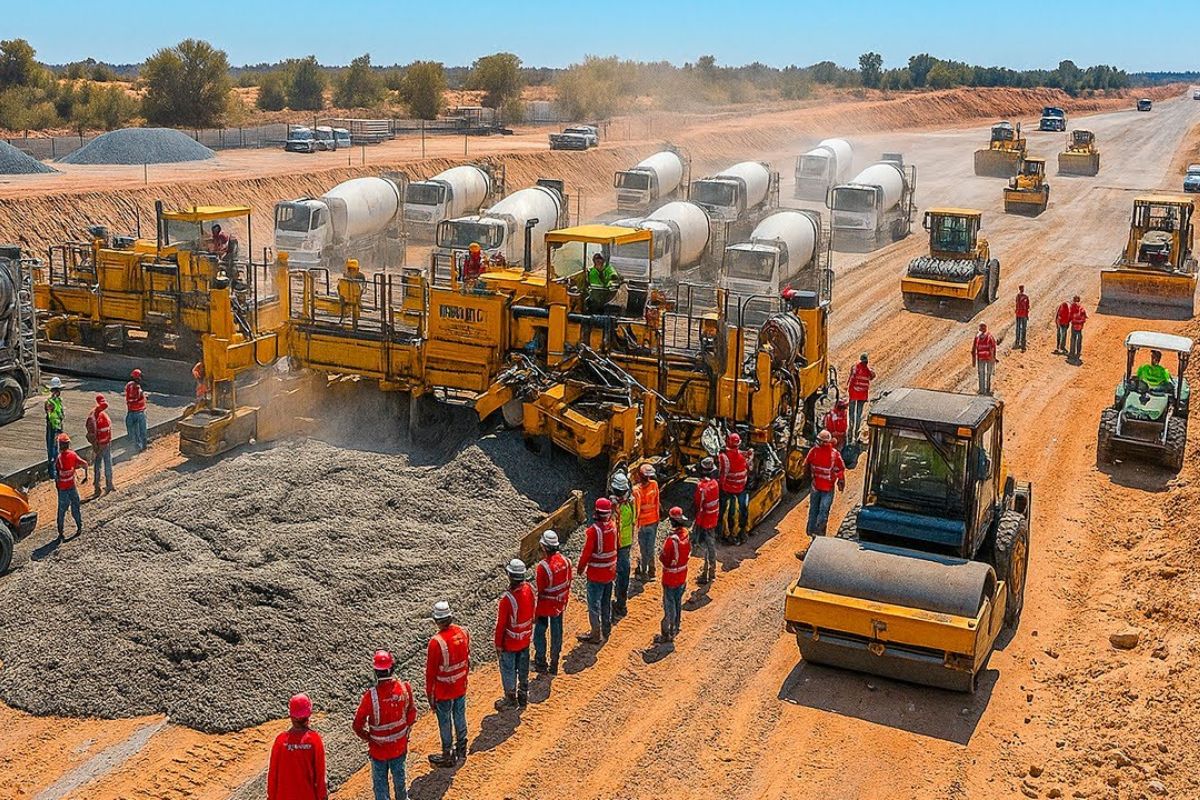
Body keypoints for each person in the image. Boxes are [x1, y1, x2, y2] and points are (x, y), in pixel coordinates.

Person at [353, 651, 417, 800]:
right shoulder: (405, 688)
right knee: (400, 781)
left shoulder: (370, 696)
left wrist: (369, 738)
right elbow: (412, 714)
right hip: (399, 747)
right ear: (392, 668)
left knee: (380, 787)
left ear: (376, 672)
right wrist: (404, 732)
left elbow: (357, 725)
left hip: (378, 750)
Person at [425, 600, 470, 768]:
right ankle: (462, 747)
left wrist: (430, 697)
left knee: (445, 722)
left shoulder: (436, 642)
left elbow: (430, 674)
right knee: (460, 715)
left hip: (444, 691)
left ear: (436, 620)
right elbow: (467, 660)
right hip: (460, 686)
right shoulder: (463, 632)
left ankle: (448, 754)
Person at [267, 693, 328, 800]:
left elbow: (273, 775)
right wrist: (322, 797)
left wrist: (271, 797)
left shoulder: (280, 741)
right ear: (309, 714)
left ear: (291, 715)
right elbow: (320, 776)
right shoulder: (314, 740)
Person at [494, 558, 535, 711]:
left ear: (510, 576)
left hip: (510, 643)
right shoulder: (529, 589)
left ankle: (510, 699)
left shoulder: (507, 599)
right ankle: (523, 696)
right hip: (525, 639)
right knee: (523, 669)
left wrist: (498, 645)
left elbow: (501, 626)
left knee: (508, 670)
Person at [576, 497, 618, 643]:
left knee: (594, 605)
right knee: (606, 602)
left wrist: (581, 568)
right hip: (610, 572)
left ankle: (595, 634)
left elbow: (586, 553)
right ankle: (606, 629)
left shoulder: (594, 531)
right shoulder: (613, 526)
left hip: (596, 574)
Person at [533, 530, 572, 675]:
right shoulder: (566, 561)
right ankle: (554, 663)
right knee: (557, 633)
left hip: (546, 605)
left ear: (544, 547)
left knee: (539, 633)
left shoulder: (543, 567)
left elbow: (541, 590)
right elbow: (568, 582)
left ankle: (541, 662)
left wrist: (536, 613)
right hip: (560, 603)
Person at [657, 507, 691, 644]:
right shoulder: (686, 534)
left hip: (670, 577)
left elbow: (664, 558)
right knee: (677, 602)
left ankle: (667, 633)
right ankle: (676, 627)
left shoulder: (671, 541)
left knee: (669, 605)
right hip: (682, 575)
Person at [803, 430, 845, 536]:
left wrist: (841, 480)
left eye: (820, 441)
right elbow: (806, 464)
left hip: (827, 488)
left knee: (823, 511)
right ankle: (812, 532)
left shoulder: (834, 454)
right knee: (814, 510)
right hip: (816, 486)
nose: (818, 443)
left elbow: (839, 469)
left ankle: (819, 533)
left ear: (827, 442)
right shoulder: (814, 451)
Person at [609, 471, 636, 617]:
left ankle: (617, 605)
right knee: (623, 572)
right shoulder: (630, 502)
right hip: (626, 542)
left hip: (615, 544)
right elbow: (634, 520)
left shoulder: (614, 505)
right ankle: (621, 603)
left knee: (612, 573)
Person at [691, 457, 720, 585]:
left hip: (704, 520)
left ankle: (706, 573)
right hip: (713, 519)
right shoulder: (715, 484)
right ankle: (711, 571)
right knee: (711, 545)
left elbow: (698, 504)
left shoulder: (701, 487)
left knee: (706, 546)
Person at [718, 433, 750, 544]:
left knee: (727, 511)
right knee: (742, 509)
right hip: (741, 488)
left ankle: (726, 534)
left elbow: (722, 474)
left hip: (728, 489)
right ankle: (741, 532)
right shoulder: (742, 456)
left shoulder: (723, 457)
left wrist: (720, 487)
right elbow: (748, 467)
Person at [54, 433, 87, 540]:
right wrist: (85, 475)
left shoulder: (59, 458)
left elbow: (57, 473)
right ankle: (79, 527)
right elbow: (84, 464)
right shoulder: (73, 455)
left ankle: (61, 532)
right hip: (72, 487)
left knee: (61, 511)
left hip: (63, 489)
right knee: (76, 507)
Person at [632, 464, 660, 579]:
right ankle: (652, 570)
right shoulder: (654, 484)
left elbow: (636, 509)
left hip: (643, 523)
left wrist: (635, 523)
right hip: (653, 521)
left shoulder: (636, 490)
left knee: (643, 548)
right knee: (651, 546)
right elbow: (657, 502)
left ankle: (644, 571)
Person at [84, 393, 115, 497]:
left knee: (106, 463)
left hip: (106, 443)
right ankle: (98, 486)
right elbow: (91, 434)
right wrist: (96, 446)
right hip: (100, 445)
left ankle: (108, 484)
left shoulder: (102, 415)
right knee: (100, 464)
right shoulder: (93, 418)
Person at [847, 353, 876, 442]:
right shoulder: (868, 370)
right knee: (858, 414)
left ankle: (851, 429)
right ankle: (856, 432)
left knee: (851, 413)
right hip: (862, 395)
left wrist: (848, 388)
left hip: (853, 393)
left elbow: (851, 378)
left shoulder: (855, 368)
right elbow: (872, 376)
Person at [44, 376, 65, 480]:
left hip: (57, 427)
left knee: (55, 449)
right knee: (52, 449)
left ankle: (56, 471)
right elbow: (51, 415)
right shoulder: (50, 402)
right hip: (53, 427)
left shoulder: (58, 401)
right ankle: (53, 473)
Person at [124, 368, 148, 451]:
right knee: (142, 430)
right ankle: (143, 446)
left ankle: (136, 446)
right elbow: (135, 398)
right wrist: (143, 396)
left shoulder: (129, 385)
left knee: (134, 431)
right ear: (138, 378)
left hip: (131, 412)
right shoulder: (136, 388)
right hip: (139, 412)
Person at [973, 322, 998, 396]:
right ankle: (986, 389)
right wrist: (993, 358)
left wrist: (974, 359)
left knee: (982, 373)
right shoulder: (989, 336)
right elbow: (993, 347)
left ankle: (982, 390)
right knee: (987, 373)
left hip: (982, 357)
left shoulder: (978, 337)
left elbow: (974, 348)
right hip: (987, 357)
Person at [1068, 295, 1088, 362]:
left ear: (1073, 300)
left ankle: (1072, 353)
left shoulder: (1072, 307)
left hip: (1074, 326)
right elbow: (1084, 318)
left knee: (1073, 339)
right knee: (1079, 340)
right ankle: (1078, 353)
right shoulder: (1081, 308)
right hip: (1080, 327)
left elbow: (1070, 316)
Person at [1014, 285, 1030, 351]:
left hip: (1019, 314)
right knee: (1023, 329)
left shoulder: (1018, 296)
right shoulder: (1025, 297)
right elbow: (1027, 307)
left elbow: (1017, 305)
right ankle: (1022, 343)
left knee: (1018, 328)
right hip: (1023, 314)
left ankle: (1017, 342)